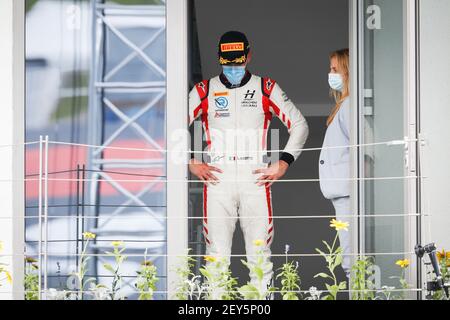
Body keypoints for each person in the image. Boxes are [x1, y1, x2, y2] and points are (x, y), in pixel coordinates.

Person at [188, 31, 309, 292]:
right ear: (219, 58)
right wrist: (191, 160)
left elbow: (299, 124)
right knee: (216, 254)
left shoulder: (266, 87)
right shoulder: (204, 90)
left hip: (255, 175)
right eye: (227, 61)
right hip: (217, 175)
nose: (233, 67)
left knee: (259, 253)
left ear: (249, 55)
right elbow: (172, 124)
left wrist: (284, 162)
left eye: (238, 60)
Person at [319, 48, 352, 277]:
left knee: (351, 259)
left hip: (350, 194)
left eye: (335, 69)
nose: (330, 74)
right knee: (349, 257)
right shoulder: (344, 105)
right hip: (343, 193)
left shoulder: (350, 106)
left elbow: (364, 150)